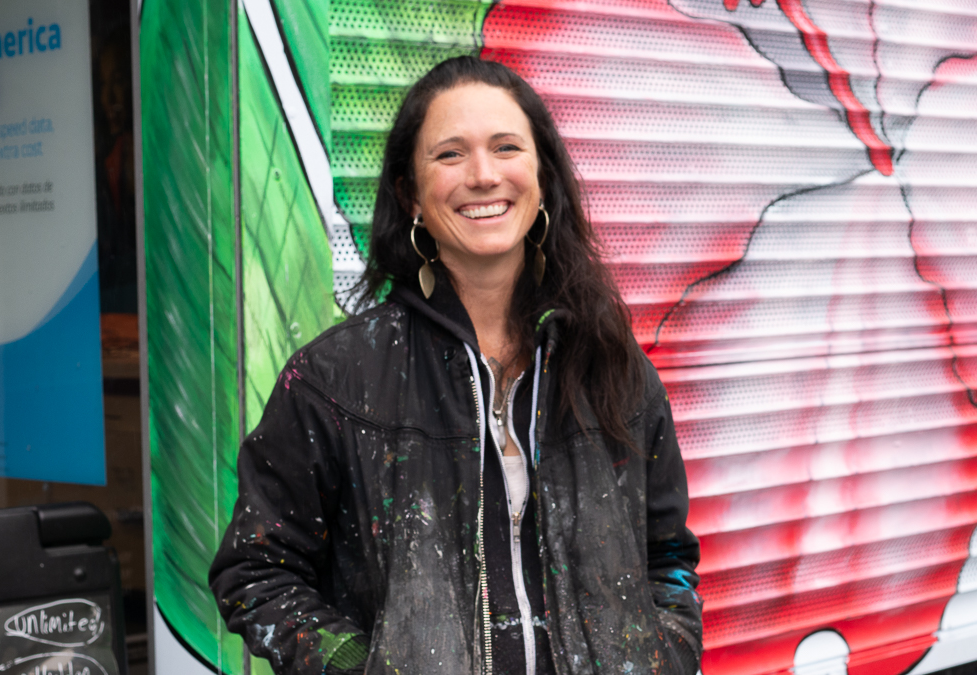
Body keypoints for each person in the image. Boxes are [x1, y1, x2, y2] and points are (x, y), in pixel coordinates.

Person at [208, 56, 702, 675]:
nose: (483, 175)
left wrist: (664, 655)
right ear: (411, 194)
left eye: (506, 147)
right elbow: (255, 572)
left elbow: (667, 559)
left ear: (542, 178)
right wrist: (366, 667)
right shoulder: (333, 381)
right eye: (449, 155)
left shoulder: (611, 367)